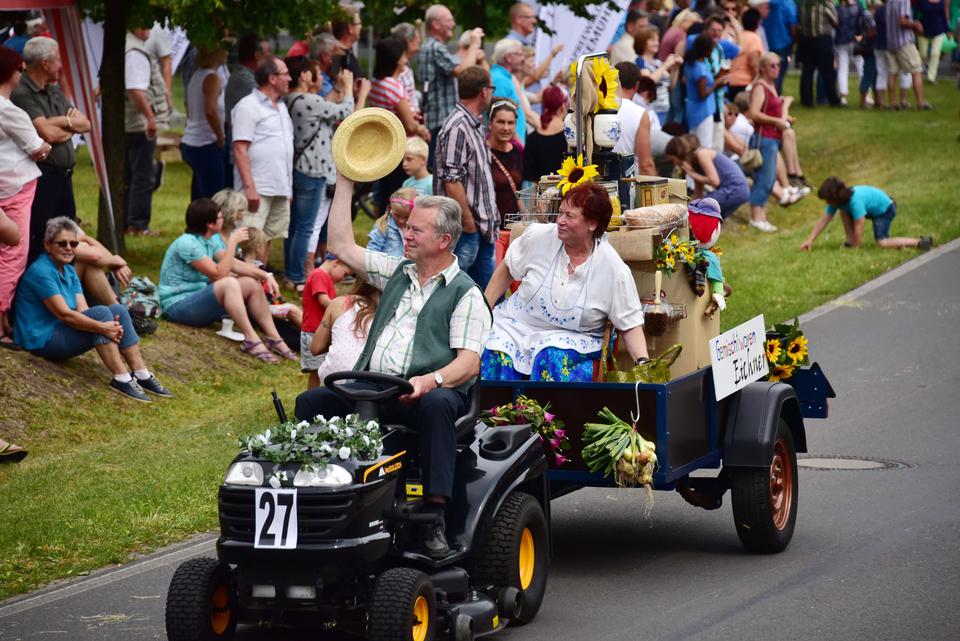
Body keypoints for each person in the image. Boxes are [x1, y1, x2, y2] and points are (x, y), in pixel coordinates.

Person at [295, 172, 492, 558]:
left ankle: (434, 515)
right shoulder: (396, 271)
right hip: (377, 386)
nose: (407, 233)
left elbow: (468, 364)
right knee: (312, 402)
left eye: (416, 229)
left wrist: (431, 380)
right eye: (407, 226)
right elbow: (340, 244)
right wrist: (346, 180)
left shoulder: (466, 293)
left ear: (443, 240)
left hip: (428, 394)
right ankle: (314, 497)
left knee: (438, 405)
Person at [482, 181, 649, 382]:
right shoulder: (538, 236)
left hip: (573, 339)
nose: (560, 221)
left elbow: (629, 324)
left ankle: (539, 406)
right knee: (494, 351)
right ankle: (495, 404)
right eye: (560, 212)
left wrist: (643, 363)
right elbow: (508, 267)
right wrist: (483, 309)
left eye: (569, 216)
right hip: (517, 326)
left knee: (550, 358)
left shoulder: (613, 268)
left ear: (592, 224)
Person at [14, 217, 171, 401]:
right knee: (101, 314)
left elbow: (83, 310)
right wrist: (104, 328)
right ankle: (121, 378)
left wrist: (108, 326)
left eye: (73, 244)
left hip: (60, 330)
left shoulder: (69, 270)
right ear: (47, 245)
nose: (68, 248)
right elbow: (64, 315)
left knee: (118, 310)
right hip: (41, 339)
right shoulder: (41, 271)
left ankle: (141, 373)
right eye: (62, 243)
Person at [159, 198, 296, 363]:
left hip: (196, 303)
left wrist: (266, 275)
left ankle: (275, 338)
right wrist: (232, 243)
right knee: (228, 283)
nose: (222, 219)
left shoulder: (207, 241)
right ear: (210, 224)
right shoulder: (187, 243)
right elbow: (219, 274)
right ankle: (251, 339)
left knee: (250, 283)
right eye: (219, 217)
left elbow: (236, 265)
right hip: (176, 307)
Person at [11, 37, 91, 264]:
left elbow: (85, 123)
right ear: (45, 63)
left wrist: (62, 122)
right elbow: (48, 134)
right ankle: (39, 281)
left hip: (65, 177)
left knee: (68, 233)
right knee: (41, 235)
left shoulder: (54, 90)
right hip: (43, 177)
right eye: (57, 60)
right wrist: (69, 125)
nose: (60, 65)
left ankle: (64, 280)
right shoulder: (22, 92)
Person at [284, 56, 357, 289]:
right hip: (313, 170)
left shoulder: (294, 99)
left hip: (302, 168)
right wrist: (349, 88)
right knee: (306, 226)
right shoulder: (308, 100)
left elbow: (324, 106)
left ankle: (291, 271)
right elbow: (346, 112)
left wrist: (338, 89)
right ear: (304, 76)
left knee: (297, 225)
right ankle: (297, 275)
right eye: (313, 71)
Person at [1, 45, 51, 349]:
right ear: (10, 73)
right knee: (13, 254)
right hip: (16, 185)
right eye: (20, 69)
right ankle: (1, 320)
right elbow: (38, 147)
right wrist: (47, 143)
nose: (22, 74)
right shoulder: (8, 109)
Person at [434, 66, 499, 289]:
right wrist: (468, 222)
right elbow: (451, 180)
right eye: (491, 89)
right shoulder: (458, 126)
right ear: (484, 91)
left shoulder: (473, 123)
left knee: (486, 295)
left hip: (481, 228)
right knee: (452, 290)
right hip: (466, 230)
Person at [232, 55, 294, 264]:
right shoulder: (247, 106)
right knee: (250, 241)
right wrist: (250, 187)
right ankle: (246, 280)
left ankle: (261, 280)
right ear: (272, 78)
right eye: (285, 74)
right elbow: (240, 148)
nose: (290, 78)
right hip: (258, 187)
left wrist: (288, 188)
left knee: (267, 239)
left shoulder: (281, 106)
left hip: (279, 186)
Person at [368, 36, 432, 210]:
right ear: (397, 59)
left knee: (386, 194)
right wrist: (421, 129)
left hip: (384, 146)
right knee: (400, 197)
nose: (406, 59)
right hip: (401, 147)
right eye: (403, 55)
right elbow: (410, 125)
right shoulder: (394, 86)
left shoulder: (376, 83)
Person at [416, 4, 485, 154]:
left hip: (436, 122)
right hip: (440, 123)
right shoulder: (435, 47)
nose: (453, 24)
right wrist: (474, 45)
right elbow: (464, 72)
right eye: (449, 20)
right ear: (436, 24)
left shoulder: (430, 47)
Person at [124, 25, 170, 236]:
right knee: (143, 176)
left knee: (130, 175)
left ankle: (128, 221)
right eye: (145, 24)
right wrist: (150, 118)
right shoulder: (135, 52)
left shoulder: (125, 46)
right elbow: (135, 89)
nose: (149, 29)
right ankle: (137, 225)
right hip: (139, 124)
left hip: (130, 122)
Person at [801, 177, 933, 251]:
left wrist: (857, 247)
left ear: (835, 196)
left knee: (882, 242)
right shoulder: (839, 202)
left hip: (885, 210)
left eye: (828, 200)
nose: (827, 203)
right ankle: (850, 242)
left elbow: (860, 224)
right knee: (843, 211)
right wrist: (810, 240)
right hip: (875, 208)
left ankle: (920, 242)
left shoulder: (855, 201)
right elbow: (824, 220)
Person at [746, 52, 789, 231]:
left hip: (772, 138)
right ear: (762, 68)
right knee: (765, 178)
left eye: (778, 65)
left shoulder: (771, 85)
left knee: (769, 178)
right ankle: (756, 217)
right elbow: (754, 113)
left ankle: (761, 216)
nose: (776, 68)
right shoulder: (760, 87)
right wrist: (776, 121)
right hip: (764, 139)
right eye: (772, 65)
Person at [181, 45, 229, 200]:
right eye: (224, 49)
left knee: (199, 194)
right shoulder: (212, 78)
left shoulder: (197, 76)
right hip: (206, 143)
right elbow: (210, 110)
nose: (227, 52)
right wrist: (220, 136)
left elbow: (187, 104)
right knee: (214, 197)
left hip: (192, 141)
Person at [312, 277, 381, 383]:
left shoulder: (340, 303)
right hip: (372, 383)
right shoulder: (396, 313)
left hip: (332, 378)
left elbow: (316, 348)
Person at [666, 133, 750, 219]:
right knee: (706, 217)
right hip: (736, 190)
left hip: (735, 189)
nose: (674, 163)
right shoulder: (695, 163)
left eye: (673, 160)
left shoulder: (702, 154)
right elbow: (698, 191)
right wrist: (690, 208)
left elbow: (714, 181)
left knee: (701, 211)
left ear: (679, 153)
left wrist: (692, 174)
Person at [300, 254, 353, 389]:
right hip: (314, 332)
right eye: (345, 273)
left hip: (320, 332)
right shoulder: (319, 275)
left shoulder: (324, 278)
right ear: (337, 263)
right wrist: (342, 312)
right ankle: (313, 397)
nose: (343, 278)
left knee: (323, 369)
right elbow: (323, 301)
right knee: (316, 372)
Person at [613, 62, 657, 196]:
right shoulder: (640, 113)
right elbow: (645, 165)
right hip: (626, 188)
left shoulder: (595, 107)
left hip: (595, 184)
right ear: (636, 85)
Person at [883, 0, 933, 109]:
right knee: (917, 70)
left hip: (890, 42)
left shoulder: (889, 2)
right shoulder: (904, 1)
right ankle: (920, 102)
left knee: (892, 73)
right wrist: (915, 23)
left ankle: (892, 103)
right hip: (904, 42)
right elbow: (902, 21)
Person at [684, 33, 728, 149]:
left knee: (693, 144)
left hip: (692, 108)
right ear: (706, 50)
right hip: (703, 111)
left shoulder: (691, 64)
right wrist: (717, 84)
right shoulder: (700, 69)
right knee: (704, 145)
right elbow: (702, 94)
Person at [487, 99, 523, 233]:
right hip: (491, 230)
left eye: (510, 123)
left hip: (514, 229)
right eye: (501, 122)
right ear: (490, 124)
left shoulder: (518, 151)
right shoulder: (482, 152)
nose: (506, 128)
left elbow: (518, 192)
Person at [797, 0, 841, 107]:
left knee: (807, 72)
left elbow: (799, 21)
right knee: (827, 72)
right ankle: (832, 99)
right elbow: (835, 22)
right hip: (822, 40)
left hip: (806, 41)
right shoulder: (825, 4)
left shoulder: (804, 4)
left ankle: (806, 100)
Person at [634, 27, 682, 125]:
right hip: (650, 110)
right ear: (642, 42)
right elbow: (648, 82)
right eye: (652, 40)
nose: (657, 43)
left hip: (663, 110)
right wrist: (666, 65)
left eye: (657, 40)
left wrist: (675, 68)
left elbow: (671, 86)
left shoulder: (658, 63)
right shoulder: (640, 61)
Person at [522, 86, 568, 186]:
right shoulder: (571, 135)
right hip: (568, 191)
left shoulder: (532, 139)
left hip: (542, 193)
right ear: (563, 106)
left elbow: (529, 177)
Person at [490, 39, 531, 144]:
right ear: (508, 57)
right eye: (520, 54)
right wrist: (519, 146)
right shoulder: (500, 80)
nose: (523, 59)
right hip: (508, 146)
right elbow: (500, 120)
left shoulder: (504, 78)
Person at [728, 9, 767, 99]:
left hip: (730, 81)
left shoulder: (737, 36)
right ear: (758, 22)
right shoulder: (754, 38)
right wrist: (756, 82)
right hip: (745, 83)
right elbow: (754, 63)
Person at [368, 188, 415, 256]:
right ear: (390, 208)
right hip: (386, 262)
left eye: (406, 217)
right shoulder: (383, 225)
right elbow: (372, 250)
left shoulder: (415, 228)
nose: (401, 221)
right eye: (397, 215)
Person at [834, 0, 864, 107]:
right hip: (855, 40)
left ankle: (843, 96)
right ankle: (865, 93)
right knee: (861, 67)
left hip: (841, 41)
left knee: (842, 69)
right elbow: (861, 24)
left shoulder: (837, 8)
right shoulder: (858, 7)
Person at [390, 22, 423, 116]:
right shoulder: (400, 69)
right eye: (417, 41)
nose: (419, 47)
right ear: (409, 42)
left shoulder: (403, 65)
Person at [766, 0, 799, 92]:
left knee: (768, 75)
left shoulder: (768, 3)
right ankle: (776, 96)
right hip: (784, 43)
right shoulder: (788, 4)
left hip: (768, 43)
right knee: (778, 74)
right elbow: (793, 25)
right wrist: (795, 40)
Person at [916, 0, 950, 84]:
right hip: (923, 31)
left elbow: (943, 14)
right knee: (922, 54)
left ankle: (931, 77)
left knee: (935, 53)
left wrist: (947, 30)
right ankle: (917, 73)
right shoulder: (921, 1)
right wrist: (916, 26)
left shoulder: (942, 1)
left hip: (939, 30)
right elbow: (916, 14)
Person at [330, 4, 364, 78]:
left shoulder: (348, 52)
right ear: (350, 28)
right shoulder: (337, 56)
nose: (361, 27)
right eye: (358, 24)